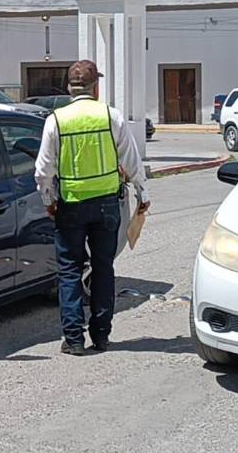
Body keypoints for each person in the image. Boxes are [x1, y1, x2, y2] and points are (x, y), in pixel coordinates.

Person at [34, 59, 149, 356]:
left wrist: (49, 201)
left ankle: (73, 339)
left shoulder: (56, 120)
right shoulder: (110, 116)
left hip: (70, 206)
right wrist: (141, 192)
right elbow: (131, 160)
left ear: (69, 88)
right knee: (102, 269)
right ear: (95, 87)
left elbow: (43, 171)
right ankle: (101, 336)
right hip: (106, 206)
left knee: (70, 271)